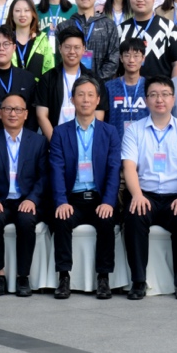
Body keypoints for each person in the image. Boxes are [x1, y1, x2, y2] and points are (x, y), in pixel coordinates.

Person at [121, 77, 177, 300]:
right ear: (146, 100)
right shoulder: (134, 130)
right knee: (134, 217)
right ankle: (138, 281)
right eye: (154, 95)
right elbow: (129, 166)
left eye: (165, 94)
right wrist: (137, 195)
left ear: (173, 99)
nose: (160, 99)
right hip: (145, 194)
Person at [49, 77, 121, 299]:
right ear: (72, 100)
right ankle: (64, 277)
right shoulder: (61, 132)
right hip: (73, 197)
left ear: (98, 100)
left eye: (90, 95)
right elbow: (57, 169)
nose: (86, 99)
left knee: (107, 221)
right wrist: (61, 202)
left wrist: (108, 202)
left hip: (99, 197)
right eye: (80, 95)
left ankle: (103, 278)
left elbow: (113, 170)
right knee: (61, 219)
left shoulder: (109, 132)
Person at [0, 94, 49, 297]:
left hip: (26, 199)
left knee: (26, 221)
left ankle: (22, 277)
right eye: (8, 109)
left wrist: (32, 199)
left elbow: (44, 177)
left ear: (26, 114)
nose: (13, 113)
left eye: (18, 109)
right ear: (0, 113)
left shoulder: (38, 142)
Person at [37, 29, 106, 139]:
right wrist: (56, 143)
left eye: (77, 47)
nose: (72, 52)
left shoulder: (94, 79)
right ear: (60, 48)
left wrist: (85, 141)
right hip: (55, 141)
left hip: (85, 141)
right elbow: (41, 115)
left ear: (83, 49)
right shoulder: (48, 78)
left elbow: (98, 113)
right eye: (67, 47)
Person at [59, 0, 120, 80]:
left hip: (101, 85)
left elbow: (113, 59)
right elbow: (59, 59)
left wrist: (94, 82)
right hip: (70, 83)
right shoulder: (64, 27)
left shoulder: (108, 25)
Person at [121, 0, 177, 78]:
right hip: (128, 87)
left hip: (161, 87)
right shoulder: (121, 29)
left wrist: (173, 86)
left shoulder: (168, 27)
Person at [105, 39, 149, 133]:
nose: (131, 60)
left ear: (143, 58)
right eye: (127, 55)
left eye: (136, 56)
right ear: (121, 58)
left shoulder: (149, 87)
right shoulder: (109, 87)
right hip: (115, 139)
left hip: (144, 139)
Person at [8, 0, 54, 79]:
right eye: (17, 11)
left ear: (33, 14)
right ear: (11, 15)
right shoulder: (5, 40)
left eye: (27, 10)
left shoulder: (42, 40)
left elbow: (49, 70)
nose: (22, 14)